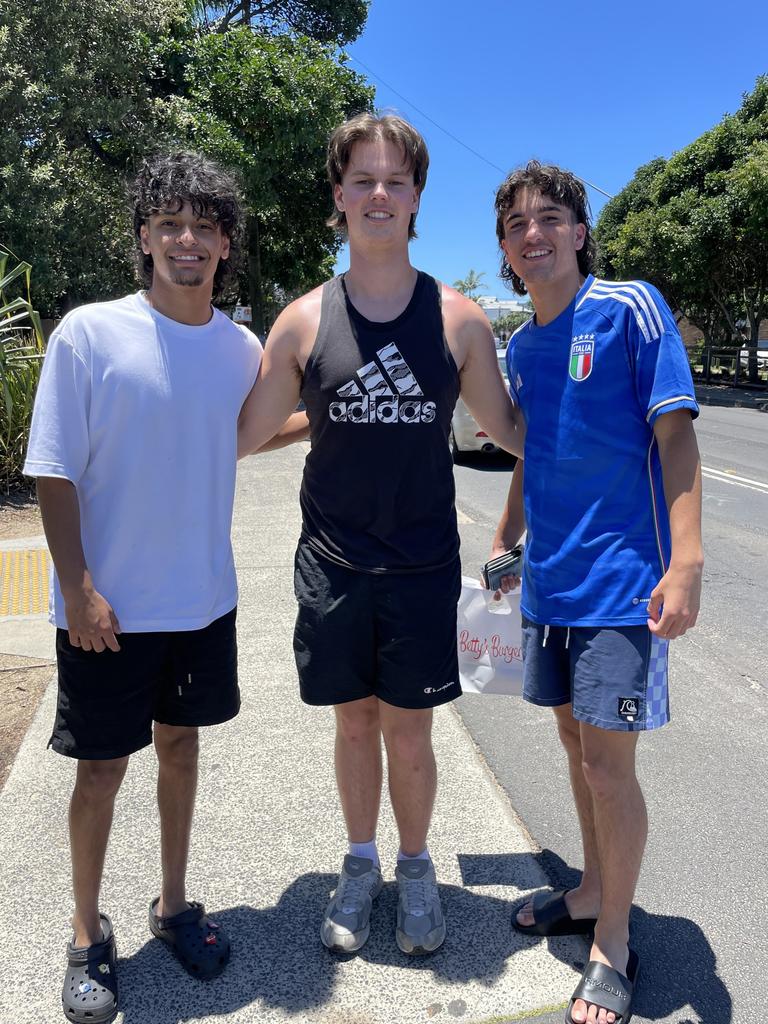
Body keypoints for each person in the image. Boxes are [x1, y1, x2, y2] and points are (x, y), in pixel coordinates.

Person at [237, 113, 524, 956]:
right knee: (354, 724)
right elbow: (240, 433)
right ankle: (359, 866)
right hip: (332, 564)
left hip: (423, 564)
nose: (378, 195)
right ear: (338, 197)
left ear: (416, 199)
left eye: (395, 181)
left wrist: (624, 439)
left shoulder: (459, 319)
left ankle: (415, 865)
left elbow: (511, 430)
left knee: (410, 729)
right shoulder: (300, 320)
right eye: (361, 180)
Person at [24, 152, 301, 1023]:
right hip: (108, 607)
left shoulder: (240, 348)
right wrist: (77, 588)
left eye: (206, 227)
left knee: (182, 751)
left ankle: (174, 904)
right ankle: (84, 932)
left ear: (226, 246)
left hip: (202, 602)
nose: (189, 240)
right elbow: (54, 472)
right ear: (144, 237)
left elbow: (237, 435)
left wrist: (339, 415)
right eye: (171, 224)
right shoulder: (90, 333)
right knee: (101, 770)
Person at [489, 161, 703, 1024]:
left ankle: (613, 941)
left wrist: (685, 563)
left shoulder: (627, 307)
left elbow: (677, 437)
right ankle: (586, 889)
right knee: (576, 749)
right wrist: (507, 537)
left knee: (610, 769)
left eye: (550, 219)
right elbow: (533, 450)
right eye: (517, 226)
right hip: (551, 587)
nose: (533, 235)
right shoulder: (522, 346)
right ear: (504, 251)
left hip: (621, 586)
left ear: (580, 230)